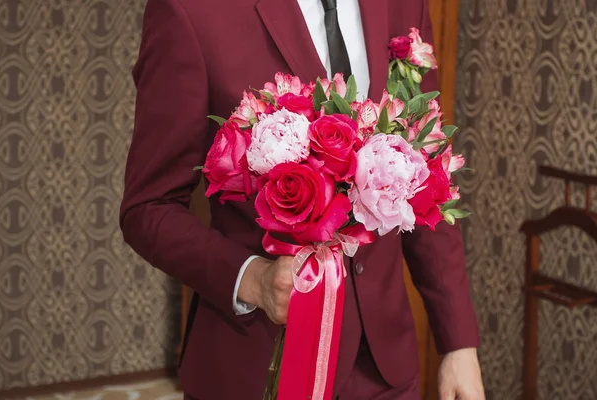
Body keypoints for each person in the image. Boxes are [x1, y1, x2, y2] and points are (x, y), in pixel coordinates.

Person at [120, 0, 485, 399]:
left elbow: (424, 171)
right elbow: (148, 208)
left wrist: (458, 342)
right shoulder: (190, 10)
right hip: (259, 366)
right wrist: (254, 280)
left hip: (384, 371)